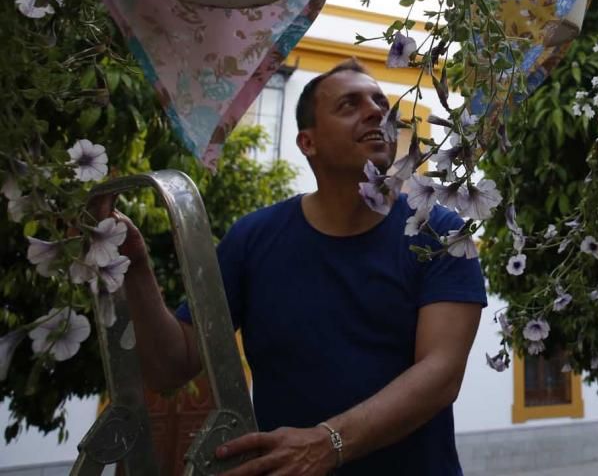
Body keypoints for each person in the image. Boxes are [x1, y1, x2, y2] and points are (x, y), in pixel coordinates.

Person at [111, 59, 487, 476]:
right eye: (349, 105)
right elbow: (171, 367)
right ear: (308, 143)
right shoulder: (252, 239)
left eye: (381, 101)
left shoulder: (443, 232)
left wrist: (329, 443)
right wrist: (136, 266)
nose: (377, 111)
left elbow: (441, 374)